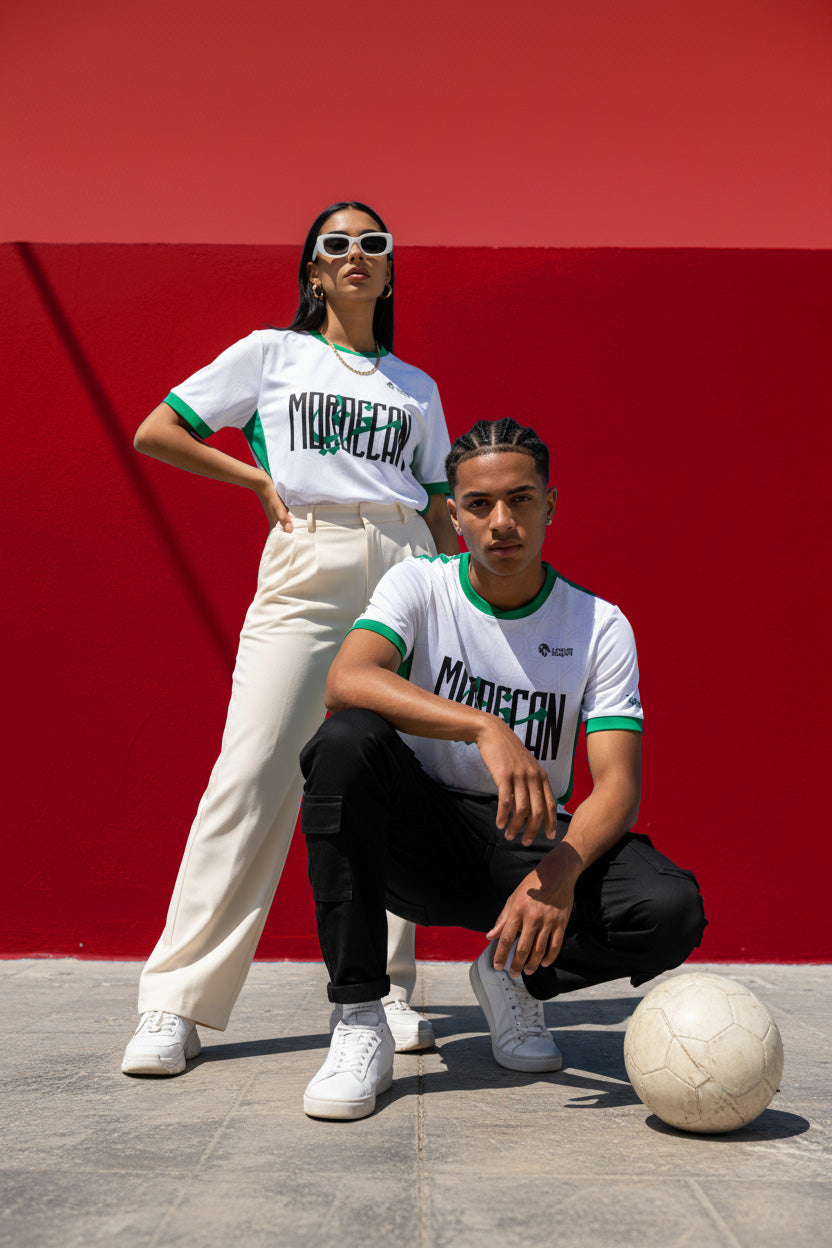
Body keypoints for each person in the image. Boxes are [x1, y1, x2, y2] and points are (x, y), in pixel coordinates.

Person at [121, 201, 458, 1076]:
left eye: (373, 243)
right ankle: (176, 1001)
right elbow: (158, 430)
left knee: (389, 770)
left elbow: (436, 505)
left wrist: (457, 594)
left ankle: (387, 990)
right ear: (313, 269)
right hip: (311, 554)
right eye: (335, 244)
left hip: (406, 563)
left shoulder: (416, 387)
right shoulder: (272, 353)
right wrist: (254, 479)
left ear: (390, 269)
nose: (355, 254)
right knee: (254, 768)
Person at [298, 418, 707, 1120]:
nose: (502, 522)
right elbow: (347, 679)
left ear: (550, 505)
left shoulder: (598, 624)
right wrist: (484, 726)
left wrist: (561, 874)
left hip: (527, 845)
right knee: (346, 740)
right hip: (419, 839)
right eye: (480, 504)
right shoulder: (421, 584)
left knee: (670, 909)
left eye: (520, 499)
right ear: (455, 516)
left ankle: (511, 970)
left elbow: (618, 786)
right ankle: (361, 1019)